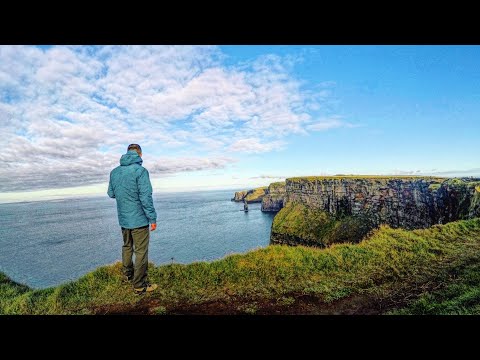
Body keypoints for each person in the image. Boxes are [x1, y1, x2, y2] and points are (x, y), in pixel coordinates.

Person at [108, 144, 158, 295]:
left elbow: (111, 193)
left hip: (124, 219)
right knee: (141, 251)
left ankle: (127, 275)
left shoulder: (114, 172)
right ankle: (139, 285)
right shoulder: (141, 171)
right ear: (140, 154)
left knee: (127, 246)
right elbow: (145, 196)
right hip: (139, 220)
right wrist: (152, 218)